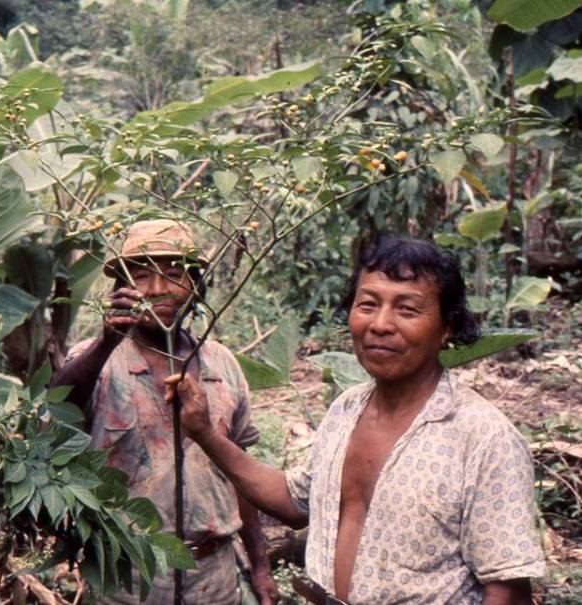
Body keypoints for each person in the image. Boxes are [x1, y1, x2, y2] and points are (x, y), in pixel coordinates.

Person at [168, 237, 546, 605]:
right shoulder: (346, 409)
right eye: (367, 305)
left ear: (447, 327)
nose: (380, 324)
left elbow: (507, 590)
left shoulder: (482, 436)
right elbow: (293, 501)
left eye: (407, 310)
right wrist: (204, 433)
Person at [51, 219, 280, 605]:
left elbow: (240, 473)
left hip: (214, 576)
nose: (157, 290)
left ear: (195, 285)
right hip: (129, 577)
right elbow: (57, 410)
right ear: (123, 288)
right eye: (142, 277)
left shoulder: (222, 366)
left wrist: (260, 565)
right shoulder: (96, 361)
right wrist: (106, 343)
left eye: (174, 276)